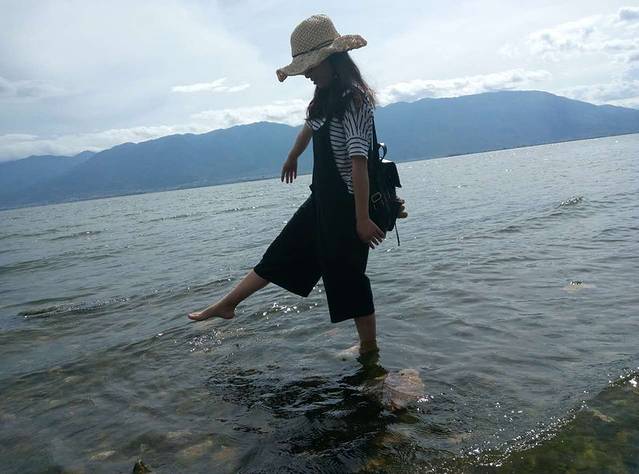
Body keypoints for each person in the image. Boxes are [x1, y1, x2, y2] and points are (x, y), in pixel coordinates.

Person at [189, 14, 400, 356]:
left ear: (332, 60)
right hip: (323, 201)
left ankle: (369, 351)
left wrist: (361, 219)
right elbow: (308, 129)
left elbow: (359, 163)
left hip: (349, 205)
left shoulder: (354, 101)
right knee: (281, 252)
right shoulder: (325, 98)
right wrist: (292, 157)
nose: (307, 75)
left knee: (348, 277)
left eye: (310, 68)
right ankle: (227, 305)